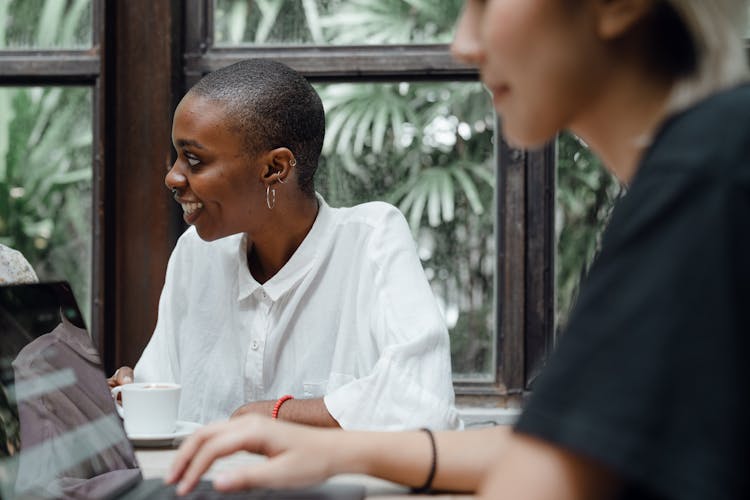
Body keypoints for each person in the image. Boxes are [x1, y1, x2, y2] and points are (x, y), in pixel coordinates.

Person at [165, 0, 750, 499]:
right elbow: (564, 447)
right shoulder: (691, 171)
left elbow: (546, 476)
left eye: (486, 3)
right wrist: (338, 454)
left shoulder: (709, 176)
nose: (464, 43)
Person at [108, 59, 460, 431]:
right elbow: (161, 401)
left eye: (194, 160)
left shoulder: (371, 240)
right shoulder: (195, 254)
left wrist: (271, 414)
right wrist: (129, 393)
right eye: (176, 156)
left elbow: (425, 404)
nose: (172, 177)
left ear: (275, 168)